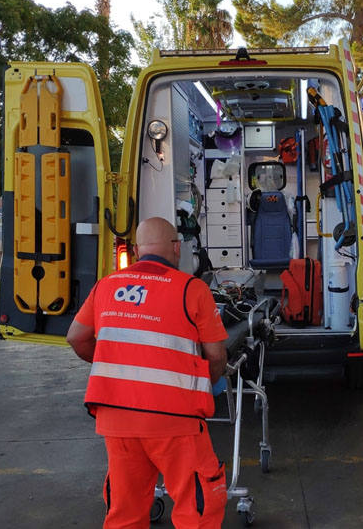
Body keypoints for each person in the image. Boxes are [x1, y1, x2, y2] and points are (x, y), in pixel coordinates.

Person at [66, 217, 229, 529]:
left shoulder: (106, 285)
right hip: (175, 418)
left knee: (124, 512)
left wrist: (114, 367)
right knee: (198, 508)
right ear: (176, 248)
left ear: (138, 250)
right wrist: (206, 381)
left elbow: (76, 336)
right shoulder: (191, 289)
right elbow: (216, 354)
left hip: (117, 420)